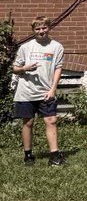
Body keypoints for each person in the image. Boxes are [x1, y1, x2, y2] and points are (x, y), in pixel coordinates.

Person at [13, 16, 65, 167]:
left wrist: (53, 89)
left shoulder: (56, 47)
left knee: (51, 120)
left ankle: (54, 156)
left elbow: (58, 68)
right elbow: (15, 68)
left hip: (46, 91)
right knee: (28, 122)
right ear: (33, 30)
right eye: (38, 29)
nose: (41, 31)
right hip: (26, 91)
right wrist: (24, 68)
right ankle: (28, 155)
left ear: (49, 28)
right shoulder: (26, 47)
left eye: (44, 28)